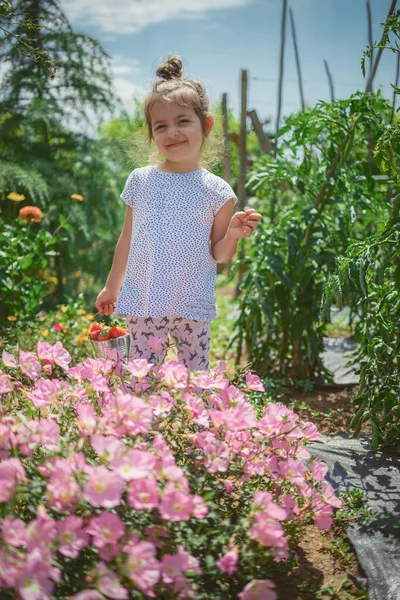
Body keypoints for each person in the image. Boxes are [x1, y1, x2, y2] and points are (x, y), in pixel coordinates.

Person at [95, 55, 262, 371]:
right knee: (142, 378)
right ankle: (145, 421)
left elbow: (219, 253)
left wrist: (234, 235)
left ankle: (193, 423)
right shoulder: (141, 180)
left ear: (206, 124)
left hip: (192, 303)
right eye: (161, 126)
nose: (172, 132)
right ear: (152, 134)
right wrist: (112, 286)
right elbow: (127, 239)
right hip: (145, 301)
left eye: (182, 121)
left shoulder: (217, 191)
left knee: (194, 381)